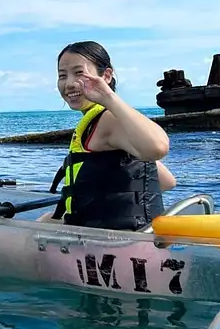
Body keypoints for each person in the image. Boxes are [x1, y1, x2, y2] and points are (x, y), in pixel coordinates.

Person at [40, 41, 176, 231]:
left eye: (79, 73)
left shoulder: (108, 120)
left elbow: (158, 147)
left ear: (106, 75)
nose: (69, 83)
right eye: (62, 76)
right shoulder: (106, 122)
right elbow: (167, 181)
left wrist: (108, 97)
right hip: (133, 240)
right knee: (47, 220)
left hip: (118, 250)